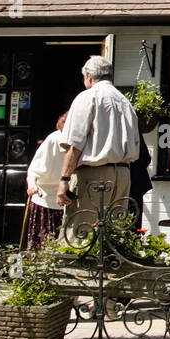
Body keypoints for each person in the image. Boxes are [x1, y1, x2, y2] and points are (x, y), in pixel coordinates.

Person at [57, 55, 140, 243]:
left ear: (89, 77)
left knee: (78, 234)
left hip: (93, 175)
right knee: (112, 235)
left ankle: (72, 272)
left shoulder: (87, 97)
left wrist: (64, 180)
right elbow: (136, 142)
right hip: (123, 174)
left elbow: (74, 144)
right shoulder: (125, 102)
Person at [24, 113, 68, 248]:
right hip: (47, 201)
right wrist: (32, 186)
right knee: (44, 246)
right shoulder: (54, 140)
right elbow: (33, 170)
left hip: (68, 202)